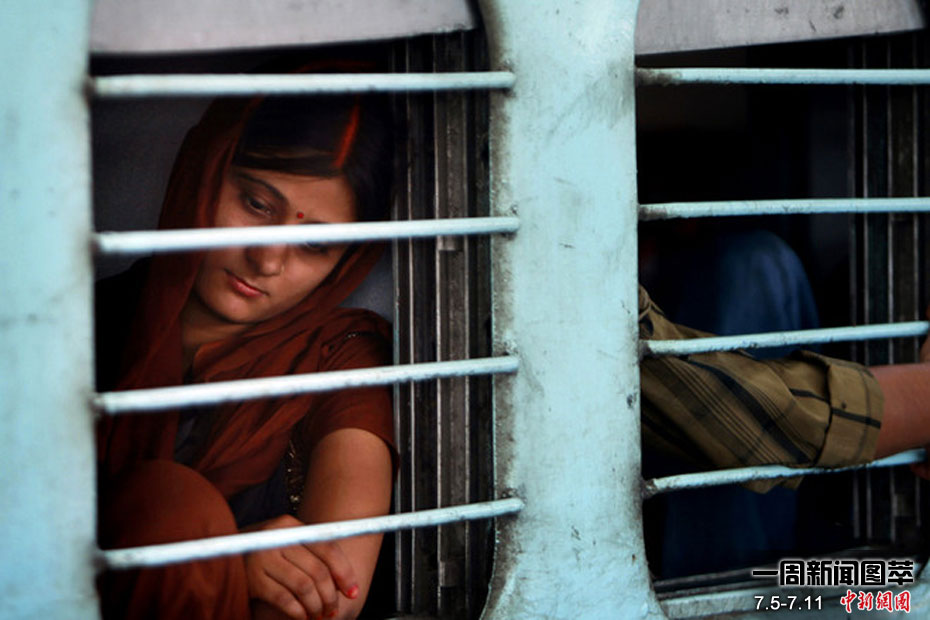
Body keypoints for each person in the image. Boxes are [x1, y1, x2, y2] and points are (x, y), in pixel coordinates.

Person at [95, 68, 395, 620]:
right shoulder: (76, 326)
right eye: (256, 204)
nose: (268, 259)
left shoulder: (338, 360)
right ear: (204, 174)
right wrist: (222, 563)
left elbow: (334, 591)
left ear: (346, 261)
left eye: (315, 244)